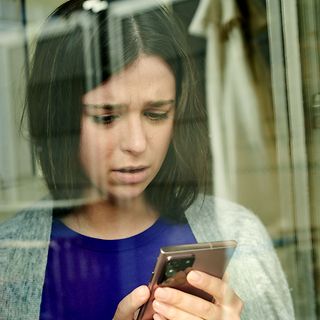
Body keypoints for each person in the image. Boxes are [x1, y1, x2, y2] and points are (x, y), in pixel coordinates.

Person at [0, 0, 294, 319]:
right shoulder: (9, 259)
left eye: (156, 114)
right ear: (60, 120)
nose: (137, 144)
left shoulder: (240, 231)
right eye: (107, 117)